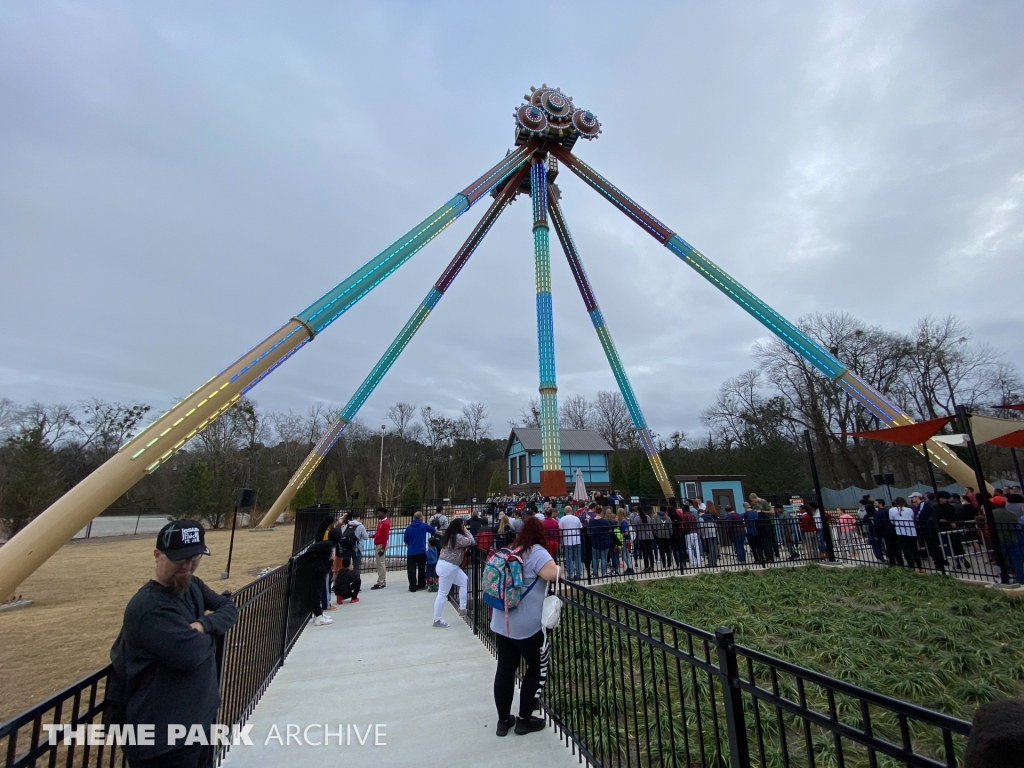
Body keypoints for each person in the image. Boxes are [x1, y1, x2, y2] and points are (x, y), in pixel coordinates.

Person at [109, 520, 238, 768]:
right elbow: (190, 653)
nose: (188, 567)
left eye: (194, 558)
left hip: (199, 724)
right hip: (164, 742)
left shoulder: (192, 585)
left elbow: (228, 607)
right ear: (158, 555)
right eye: (180, 560)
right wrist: (213, 634)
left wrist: (204, 626)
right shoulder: (148, 608)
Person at [491, 516, 560, 737]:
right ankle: (524, 718)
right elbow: (552, 573)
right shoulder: (537, 551)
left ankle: (503, 721)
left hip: (503, 623)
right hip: (526, 626)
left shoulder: (513, 548)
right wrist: (562, 570)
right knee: (536, 667)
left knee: (505, 670)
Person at [432, 518, 475, 628]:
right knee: (442, 593)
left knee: (464, 580)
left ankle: (462, 608)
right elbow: (471, 540)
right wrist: (466, 530)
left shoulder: (449, 536)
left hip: (446, 565)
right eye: (463, 525)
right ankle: (437, 619)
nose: (464, 526)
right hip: (449, 566)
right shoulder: (458, 537)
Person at [991, 495, 1024, 583]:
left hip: (999, 540)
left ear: (994, 504)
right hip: (1012, 539)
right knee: (1016, 560)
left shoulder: (991, 513)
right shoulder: (1011, 514)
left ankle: (1003, 577)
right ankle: (1020, 578)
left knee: (1000, 560)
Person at [911, 492, 946, 574]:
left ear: (917, 497)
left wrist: (916, 520)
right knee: (932, 547)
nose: (911, 499)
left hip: (929, 529)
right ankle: (938, 564)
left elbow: (920, 515)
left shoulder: (923, 504)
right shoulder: (920, 506)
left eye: (913, 497)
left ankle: (940, 565)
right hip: (926, 528)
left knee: (934, 547)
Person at [403, 512, 436, 592]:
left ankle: (412, 586)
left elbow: (406, 540)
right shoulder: (424, 525)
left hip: (411, 552)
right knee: (421, 568)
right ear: (421, 517)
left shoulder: (409, 528)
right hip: (421, 551)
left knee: (411, 569)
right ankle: (421, 585)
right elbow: (433, 530)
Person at [890, 497, 922, 572]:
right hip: (912, 531)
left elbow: (892, 521)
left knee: (906, 550)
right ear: (904, 502)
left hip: (901, 532)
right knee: (914, 550)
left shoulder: (892, 510)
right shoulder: (910, 510)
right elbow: (912, 517)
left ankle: (911, 566)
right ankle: (919, 565)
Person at [558, 508, 583, 579]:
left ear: (565, 511)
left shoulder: (562, 519)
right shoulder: (576, 518)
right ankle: (578, 574)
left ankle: (570, 574)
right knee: (578, 557)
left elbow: (560, 531)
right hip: (577, 540)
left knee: (569, 558)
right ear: (571, 511)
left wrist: (561, 539)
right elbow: (580, 529)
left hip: (567, 540)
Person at [589, 508, 614, 577]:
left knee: (595, 558)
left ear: (595, 512)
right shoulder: (605, 521)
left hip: (595, 541)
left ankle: (595, 573)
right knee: (604, 558)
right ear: (601, 512)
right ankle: (604, 573)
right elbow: (610, 529)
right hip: (604, 541)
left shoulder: (591, 521)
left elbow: (589, 530)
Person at [630, 506, 655, 572]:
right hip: (649, 536)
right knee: (650, 552)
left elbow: (635, 528)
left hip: (641, 537)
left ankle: (646, 566)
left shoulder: (637, 519)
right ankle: (652, 566)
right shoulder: (648, 517)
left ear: (638, 511)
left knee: (645, 552)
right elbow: (651, 525)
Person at [371, 508, 390, 590]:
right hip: (379, 544)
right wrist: (371, 536)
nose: (378, 515)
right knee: (380, 564)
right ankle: (382, 581)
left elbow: (386, 536)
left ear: (384, 513)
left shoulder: (385, 523)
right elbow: (379, 534)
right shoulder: (381, 523)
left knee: (380, 564)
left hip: (381, 545)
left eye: (379, 513)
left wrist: (383, 548)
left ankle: (381, 582)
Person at [699, 502, 720, 567]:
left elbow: (702, 527)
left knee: (709, 549)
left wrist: (702, 535)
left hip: (707, 534)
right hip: (713, 533)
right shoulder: (712, 516)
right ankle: (715, 562)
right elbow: (716, 525)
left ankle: (711, 563)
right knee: (714, 548)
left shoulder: (702, 517)